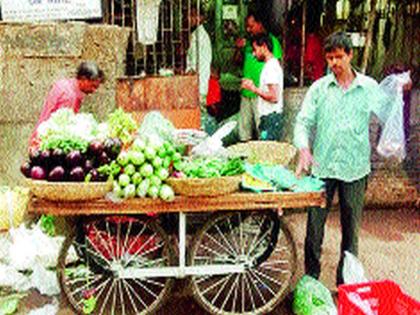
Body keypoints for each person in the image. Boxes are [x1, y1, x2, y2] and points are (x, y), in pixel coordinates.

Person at [293, 32, 389, 286]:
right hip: (322, 168)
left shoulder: (368, 87)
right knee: (314, 229)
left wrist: (399, 91)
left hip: (355, 168)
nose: (334, 62)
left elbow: (388, 112)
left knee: (351, 232)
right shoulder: (319, 89)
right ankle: (311, 279)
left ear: (350, 55)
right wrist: (304, 148)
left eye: (339, 57)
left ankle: (345, 285)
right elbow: (303, 121)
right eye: (330, 57)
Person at [29, 61, 104, 149]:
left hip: (38, 137)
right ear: (83, 79)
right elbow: (62, 129)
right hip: (44, 144)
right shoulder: (70, 97)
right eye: (93, 86)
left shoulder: (64, 84)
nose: (94, 90)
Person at [235, 11, 283, 141]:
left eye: (251, 26)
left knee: (263, 134)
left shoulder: (272, 49)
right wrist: (239, 48)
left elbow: (274, 95)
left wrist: (255, 88)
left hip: (261, 96)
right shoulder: (250, 43)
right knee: (245, 131)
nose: (248, 29)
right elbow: (237, 61)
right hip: (248, 93)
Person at [241, 35, 284, 140]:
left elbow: (274, 97)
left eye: (255, 49)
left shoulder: (270, 68)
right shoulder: (271, 65)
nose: (254, 54)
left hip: (270, 118)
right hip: (271, 118)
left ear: (264, 47)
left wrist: (253, 89)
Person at [186, 7, 214, 134]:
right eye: (189, 16)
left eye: (193, 16)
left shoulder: (201, 37)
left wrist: (189, 72)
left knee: (199, 116)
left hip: (199, 84)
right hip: (197, 83)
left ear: (201, 18)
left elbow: (198, 64)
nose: (189, 19)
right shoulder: (196, 35)